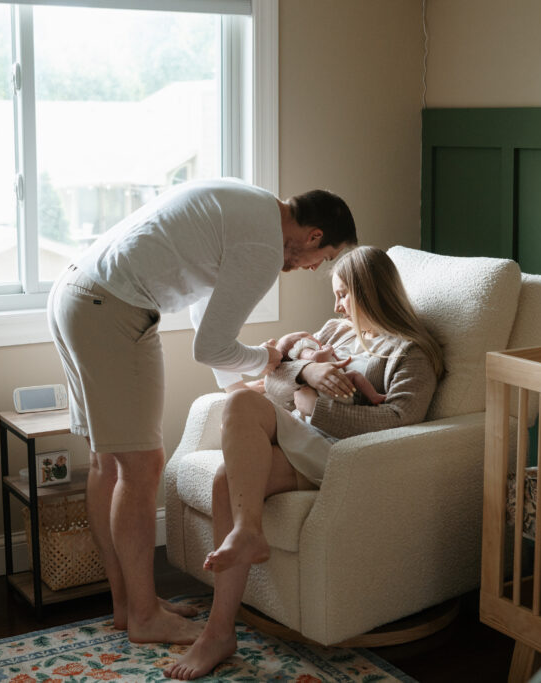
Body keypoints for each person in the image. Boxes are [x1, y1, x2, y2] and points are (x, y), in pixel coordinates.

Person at [47, 178, 356, 645]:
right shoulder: (264, 246)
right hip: (113, 309)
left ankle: (128, 605)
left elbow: (202, 315)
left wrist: (238, 384)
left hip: (74, 294)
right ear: (314, 236)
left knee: (107, 461)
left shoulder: (246, 203)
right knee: (141, 464)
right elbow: (210, 344)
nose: (315, 267)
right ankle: (146, 616)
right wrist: (267, 359)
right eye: (325, 258)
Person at [164, 246, 444, 679]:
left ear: (371, 292)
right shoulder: (334, 331)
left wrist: (314, 405)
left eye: (343, 294)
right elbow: (275, 375)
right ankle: (219, 631)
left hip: (343, 454)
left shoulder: (410, 351)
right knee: (225, 481)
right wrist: (304, 376)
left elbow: (398, 419)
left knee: (239, 403)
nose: (336, 306)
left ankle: (246, 531)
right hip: (303, 438)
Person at [285, 336, 385, 405]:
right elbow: (316, 358)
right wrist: (328, 349)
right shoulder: (302, 349)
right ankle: (374, 396)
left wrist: (335, 358)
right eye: (303, 335)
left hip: (330, 393)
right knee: (354, 375)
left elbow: (337, 364)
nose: (311, 335)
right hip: (330, 388)